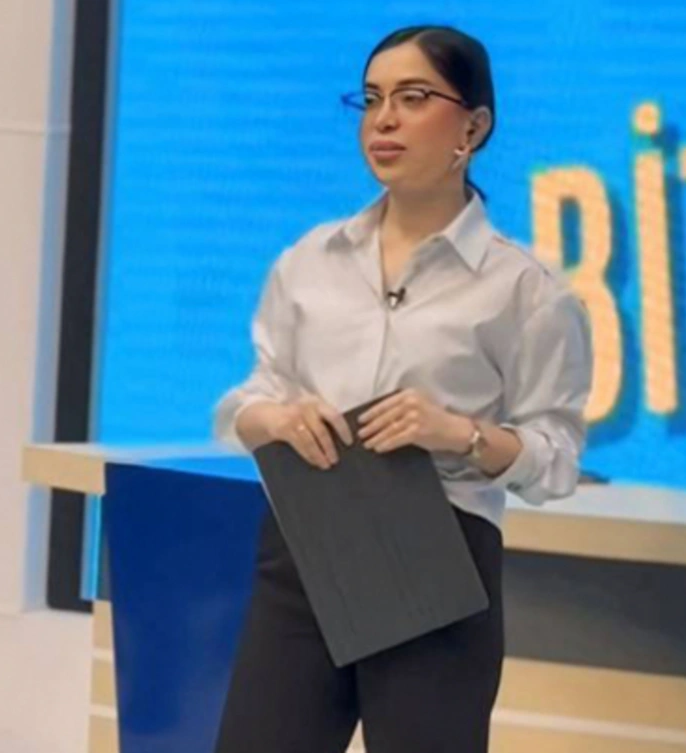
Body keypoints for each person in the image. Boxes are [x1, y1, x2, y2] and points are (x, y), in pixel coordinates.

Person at [211, 24, 593, 753]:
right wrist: (278, 418)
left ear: (473, 127)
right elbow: (243, 405)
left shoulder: (526, 290)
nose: (383, 120)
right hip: (307, 549)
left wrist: (460, 433)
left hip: (439, 562)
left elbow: (558, 458)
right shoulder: (309, 262)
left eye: (413, 98)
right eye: (372, 99)